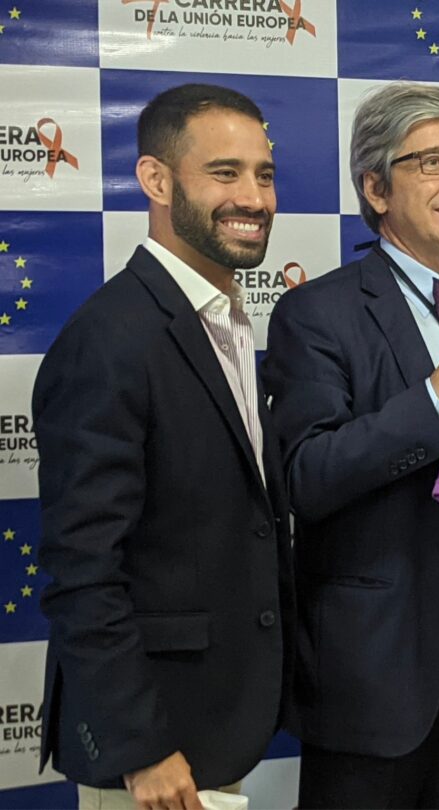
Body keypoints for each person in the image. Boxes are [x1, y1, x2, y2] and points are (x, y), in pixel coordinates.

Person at [33, 83, 294, 810]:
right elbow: (82, 568)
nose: (254, 198)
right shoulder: (110, 339)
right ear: (156, 179)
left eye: (264, 174)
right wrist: (140, 748)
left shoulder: (222, 319)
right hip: (153, 754)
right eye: (224, 173)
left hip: (215, 724)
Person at [262, 82, 439, 809]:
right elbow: (307, 476)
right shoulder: (316, 310)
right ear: (375, 188)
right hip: (376, 665)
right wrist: (433, 397)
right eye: (433, 162)